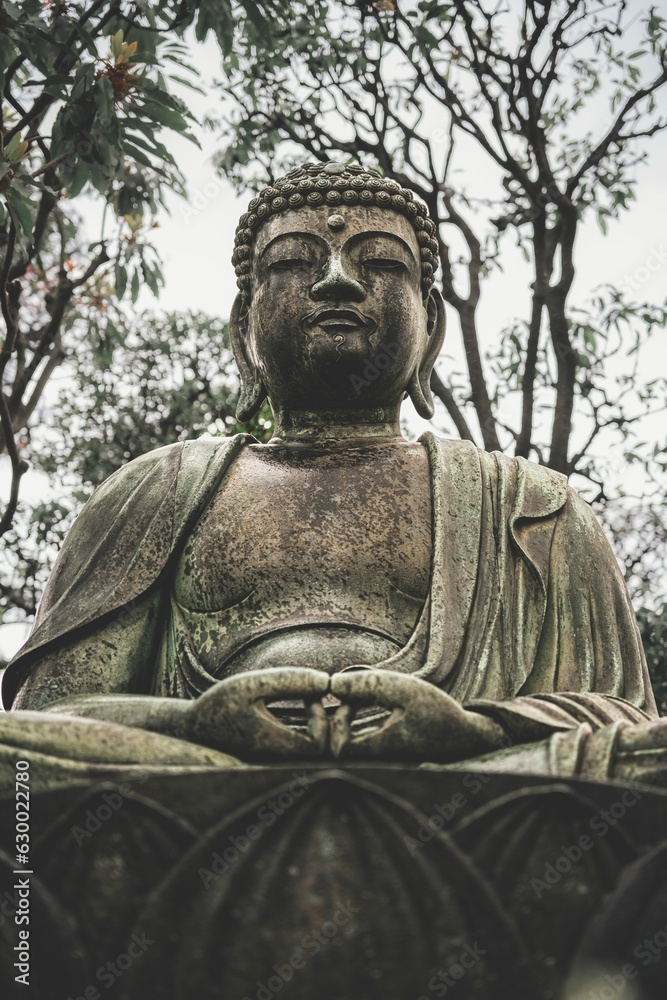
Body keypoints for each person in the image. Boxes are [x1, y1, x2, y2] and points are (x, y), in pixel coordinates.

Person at [2, 162, 661, 784]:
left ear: (429, 327)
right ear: (244, 330)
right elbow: (49, 717)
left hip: (461, 790)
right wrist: (199, 722)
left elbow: (620, 715)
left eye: (379, 264)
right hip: (202, 787)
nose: (339, 282)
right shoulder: (158, 492)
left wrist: (469, 729)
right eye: (293, 263)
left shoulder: (531, 507)